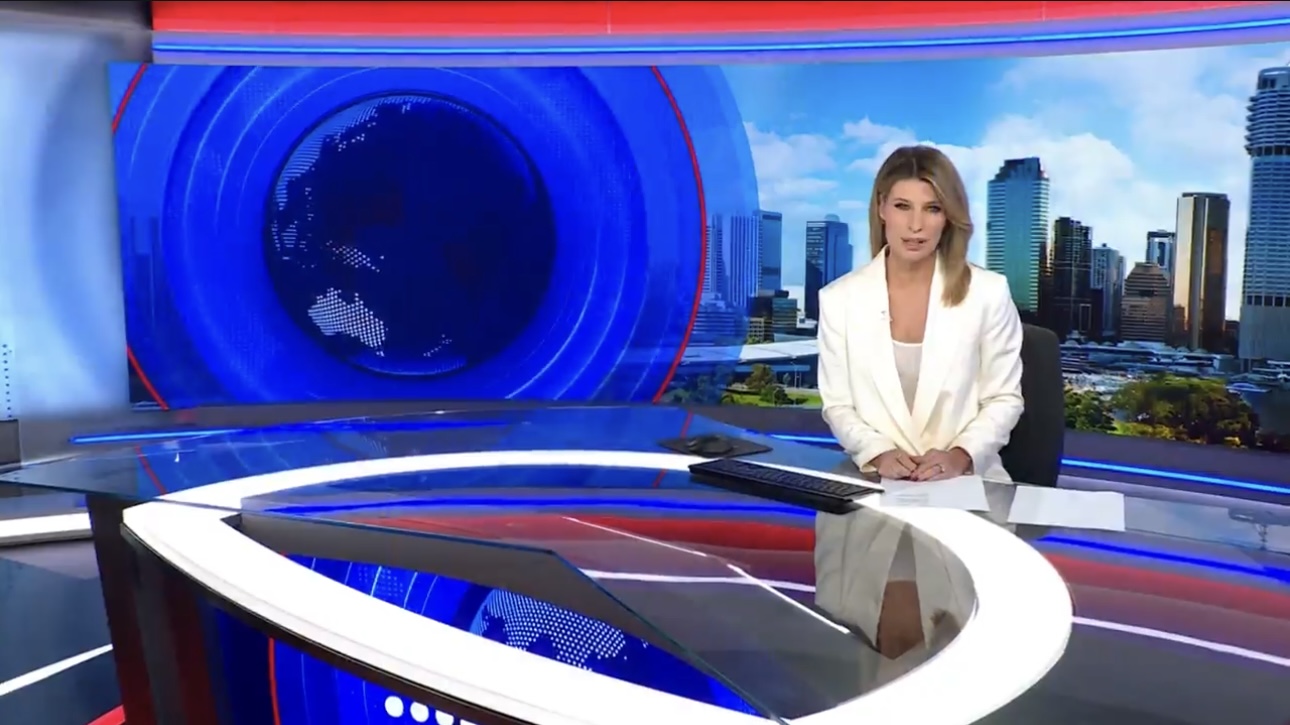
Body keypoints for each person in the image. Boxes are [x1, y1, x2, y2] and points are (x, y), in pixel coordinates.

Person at [817, 145, 1024, 482]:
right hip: (877, 481)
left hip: (965, 482)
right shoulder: (838, 300)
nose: (916, 225)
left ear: (948, 217)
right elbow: (838, 405)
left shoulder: (987, 293)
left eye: (932, 209)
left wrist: (961, 455)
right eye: (903, 206)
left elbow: (1003, 398)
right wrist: (878, 452)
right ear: (882, 207)